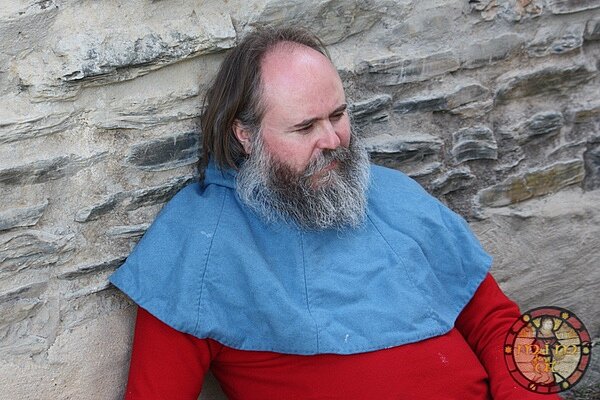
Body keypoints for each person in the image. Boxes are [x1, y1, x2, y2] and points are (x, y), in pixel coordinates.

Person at [109, 26, 561, 399]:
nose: (332, 141)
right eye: (305, 126)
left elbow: (499, 325)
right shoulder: (199, 242)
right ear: (245, 135)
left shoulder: (395, 195)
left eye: (338, 115)